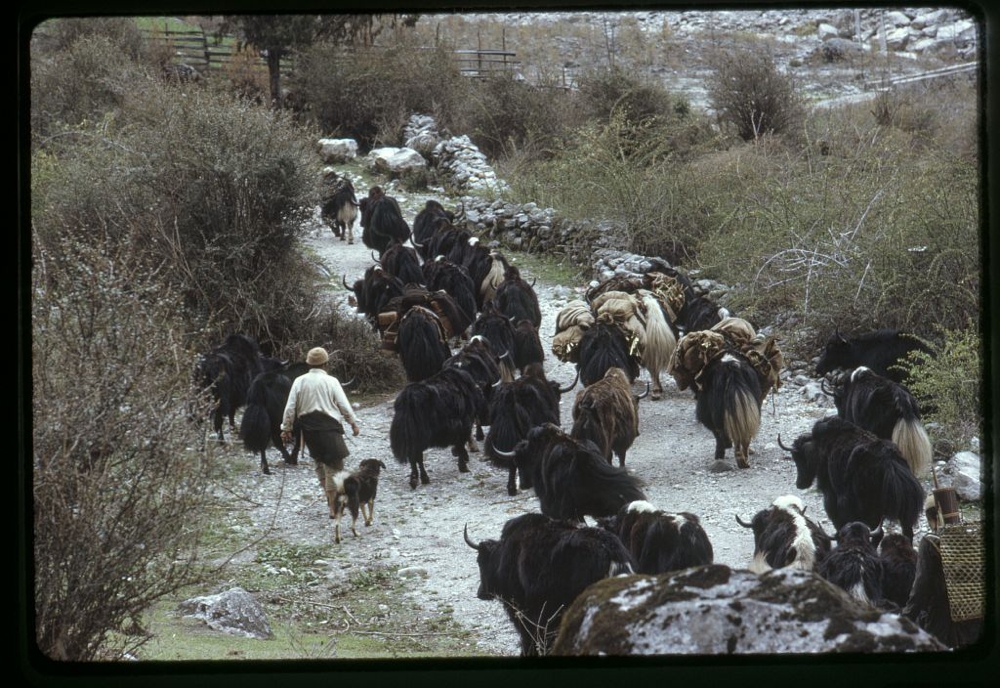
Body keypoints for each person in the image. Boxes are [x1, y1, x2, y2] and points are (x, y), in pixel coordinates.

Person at [281, 347, 361, 523]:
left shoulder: (299, 381)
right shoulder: (331, 381)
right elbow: (343, 405)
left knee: (319, 463)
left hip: (308, 429)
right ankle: (333, 506)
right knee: (335, 467)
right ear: (326, 364)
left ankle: (329, 499)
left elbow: (290, 407)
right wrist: (353, 423)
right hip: (329, 429)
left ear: (308, 364)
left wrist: (286, 428)